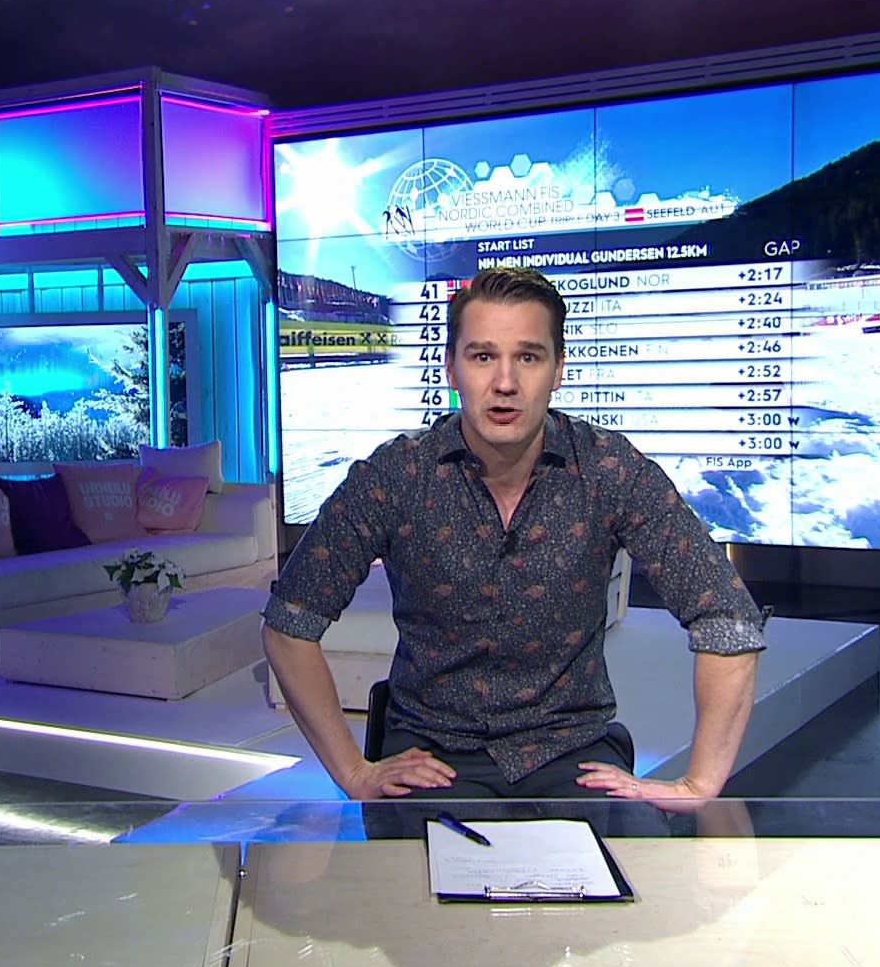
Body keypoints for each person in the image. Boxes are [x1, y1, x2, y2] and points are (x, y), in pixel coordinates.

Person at [261, 265, 767, 807]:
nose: (505, 382)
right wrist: (353, 772)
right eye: (483, 357)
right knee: (423, 864)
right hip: (430, 756)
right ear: (451, 369)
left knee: (622, 859)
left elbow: (727, 618)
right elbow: (290, 622)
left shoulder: (608, 469)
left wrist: (699, 785)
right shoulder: (396, 476)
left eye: (528, 357)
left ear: (559, 369)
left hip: (572, 753)